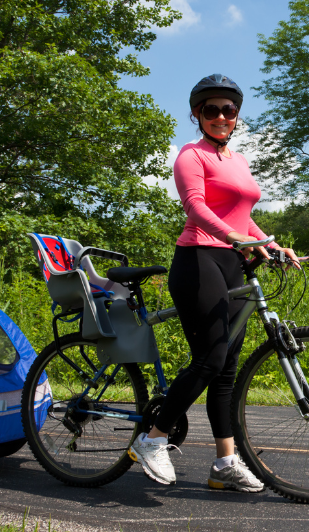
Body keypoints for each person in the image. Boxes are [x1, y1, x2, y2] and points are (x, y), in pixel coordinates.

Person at [128, 74, 299, 491]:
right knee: (210, 357)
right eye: (211, 110)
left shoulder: (238, 160)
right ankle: (153, 439)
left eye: (229, 110)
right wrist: (236, 238)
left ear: (237, 116)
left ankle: (224, 464)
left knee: (226, 369)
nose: (221, 116)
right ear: (197, 115)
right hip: (199, 258)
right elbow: (197, 208)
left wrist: (269, 243)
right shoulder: (191, 155)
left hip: (231, 261)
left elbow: (241, 215)